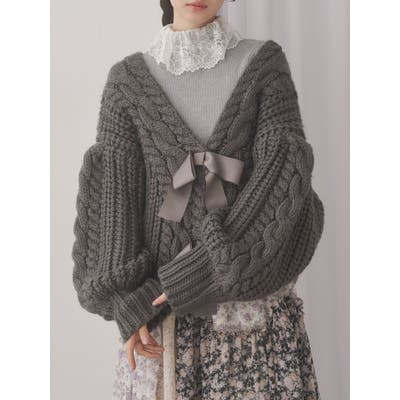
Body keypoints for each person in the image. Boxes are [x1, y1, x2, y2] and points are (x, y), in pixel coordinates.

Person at [71, 1, 325, 399]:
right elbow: (113, 202)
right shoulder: (127, 83)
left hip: (251, 326)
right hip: (162, 329)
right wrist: (126, 302)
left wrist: (197, 272)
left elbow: (282, 185)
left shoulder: (264, 65)